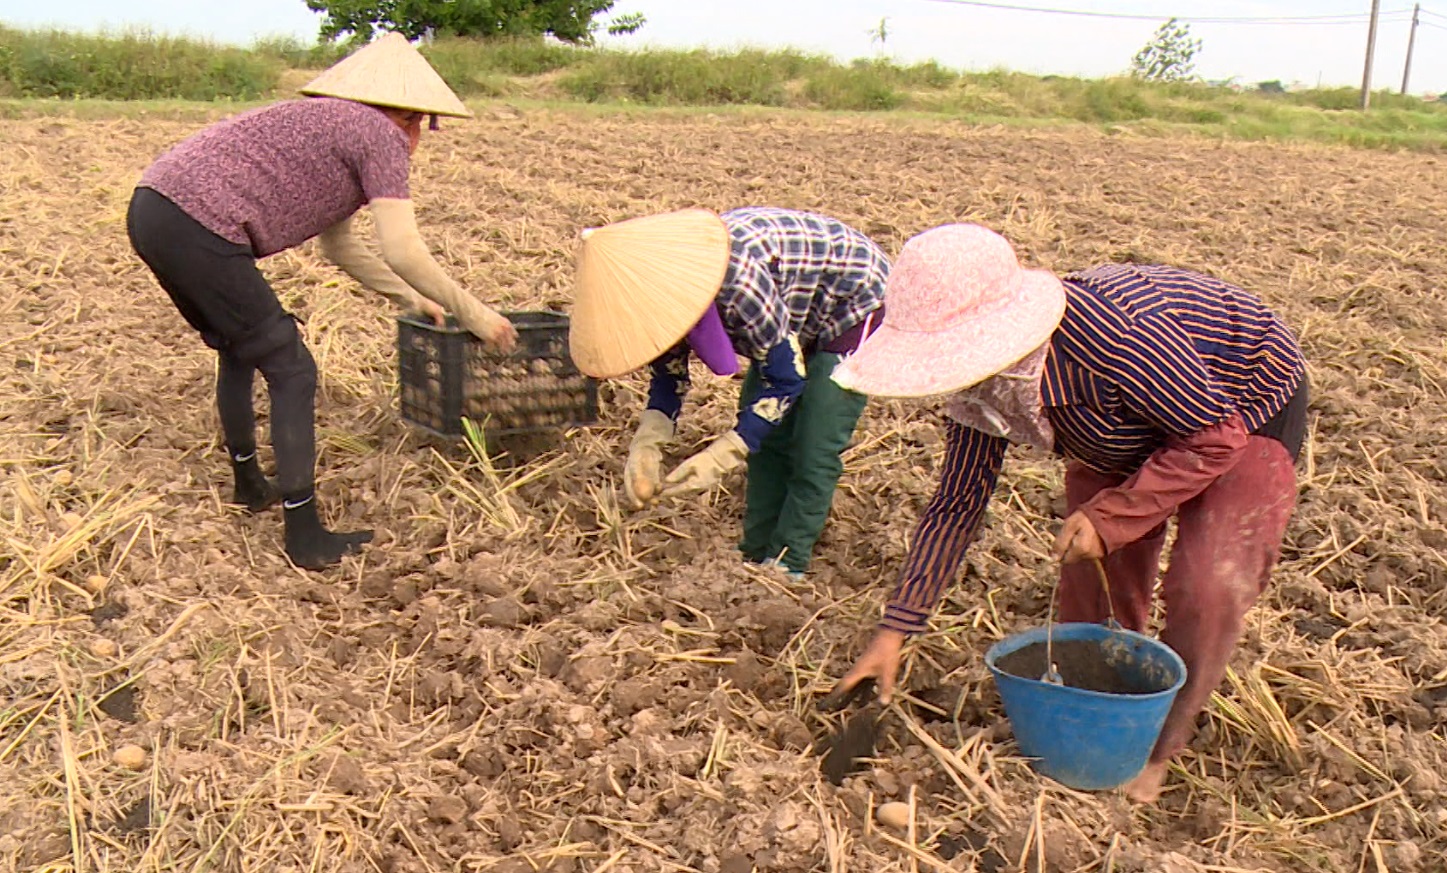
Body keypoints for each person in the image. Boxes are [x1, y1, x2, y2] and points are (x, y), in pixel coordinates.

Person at [827, 223, 1308, 803]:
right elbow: (956, 504)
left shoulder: (1118, 338)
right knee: (1089, 573)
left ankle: (1159, 745)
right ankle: (1105, 709)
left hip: (1236, 411)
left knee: (1207, 585)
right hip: (1113, 430)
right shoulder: (984, 387)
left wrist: (1113, 517)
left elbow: (1213, 440)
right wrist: (895, 631)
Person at [126, 33, 517, 570]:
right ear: (412, 119)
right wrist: (477, 314)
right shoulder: (381, 135)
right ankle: (304, 534)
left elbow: (340, 246)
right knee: (292, 368)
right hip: (202, 227)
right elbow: (403, 249)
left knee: (240, 349)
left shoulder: (328, 124)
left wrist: (411, 299)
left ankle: (249, 484)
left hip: (152, 211)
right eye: (423, 127)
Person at [569, 207, 888, 576]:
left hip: (855, 299)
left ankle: (787, 562)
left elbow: (785, 381)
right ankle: (754, 554)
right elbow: (668, 379)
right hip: (791, 306)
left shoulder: (737, 286)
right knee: (767, 440)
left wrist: (723, 454)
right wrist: (647, 444)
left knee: (815, 440)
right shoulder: (656, 301)